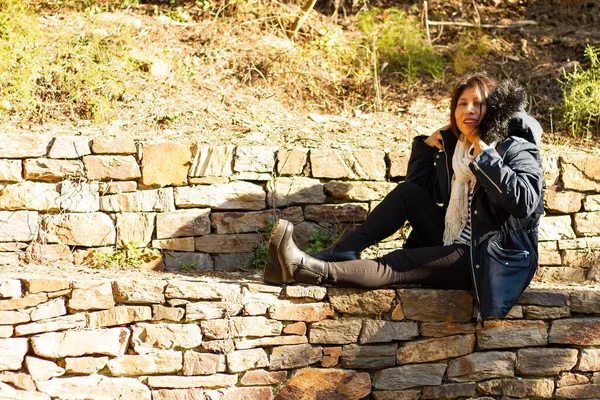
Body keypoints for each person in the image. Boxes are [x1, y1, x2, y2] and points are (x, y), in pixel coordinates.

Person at [263, 73, 544, 321]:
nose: (468, 110)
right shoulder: (457, 149)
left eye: (477, 103)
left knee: (400, 261)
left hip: (490, 256)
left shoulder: (516, 148)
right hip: (454, 239)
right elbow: (419, 190)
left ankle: (307, 270)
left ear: (493, 109)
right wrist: (425, 149)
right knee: (407, 194)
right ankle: (342, 251)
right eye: (461, 103)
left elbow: (524, 203)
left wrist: (487, 157)